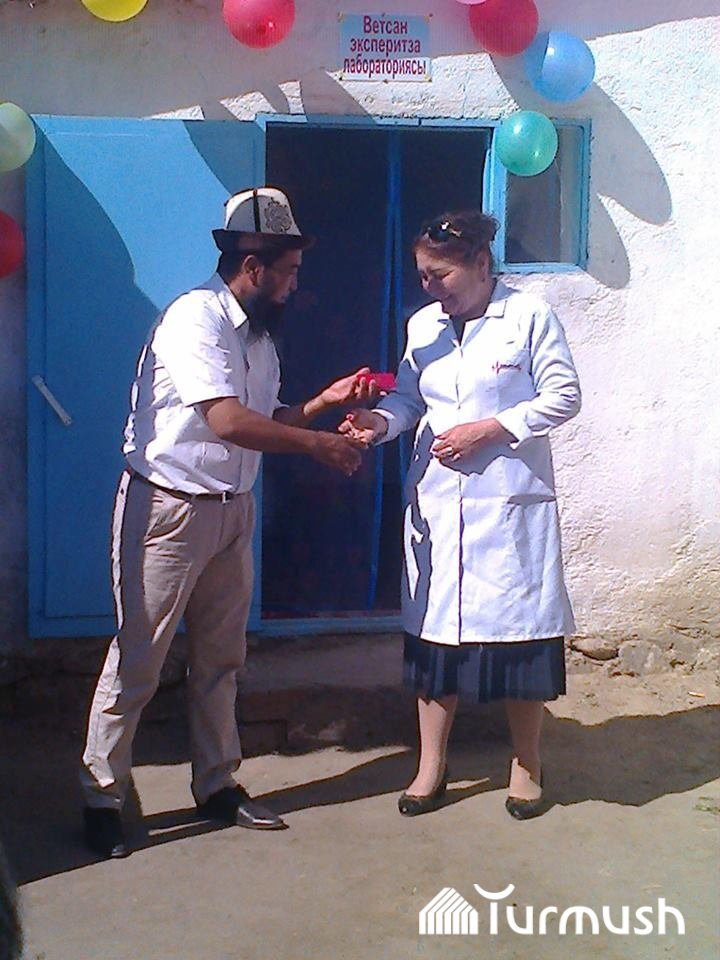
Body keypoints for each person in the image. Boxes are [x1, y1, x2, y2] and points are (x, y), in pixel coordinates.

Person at [81, 187, 370, 858]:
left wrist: (322, 404)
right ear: (252, 264)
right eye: (288, 271)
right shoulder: (195, 319)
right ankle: (101, 797)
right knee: (139, 660)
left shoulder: (260, 340)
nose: (295, 285)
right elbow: (228, 421)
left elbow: (265, 423)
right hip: (168, 511)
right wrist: (318, 447)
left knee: (221, 661)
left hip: (233, 512)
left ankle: (215, 785)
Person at [339, 210, 581, 819]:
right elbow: (407, 399)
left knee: (520, 640)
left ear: (480, 263)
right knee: (435, 642)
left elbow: (564, 395)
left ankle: (526, 764)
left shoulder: (528, 316)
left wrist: (491, 428)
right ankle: (431, 765)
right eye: (422, 276)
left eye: (441, 275)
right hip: (439, 503)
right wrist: (377, 425)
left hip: (508, 502)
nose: (430, 287)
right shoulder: (422, 325)